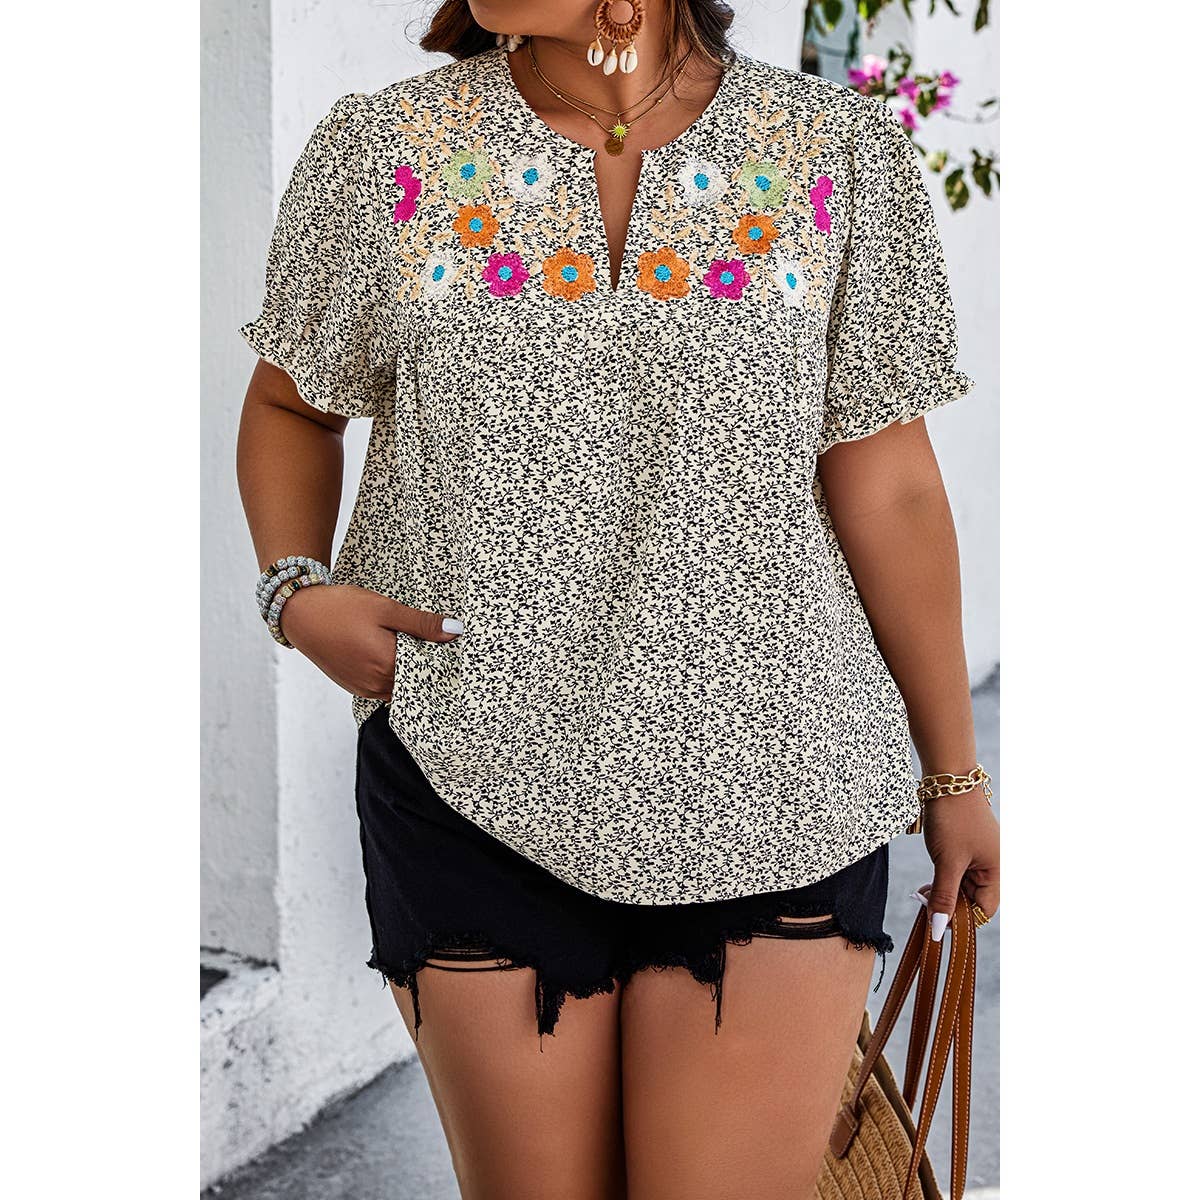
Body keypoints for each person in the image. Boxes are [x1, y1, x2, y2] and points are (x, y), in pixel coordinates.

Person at [236, 2, 1000, 1196]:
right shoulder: (386, 153)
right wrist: (297, 590)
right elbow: (291, 404)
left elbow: (890, 487)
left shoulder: (838, 156)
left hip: (776, 783)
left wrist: (953, 778)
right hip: (470, 772)